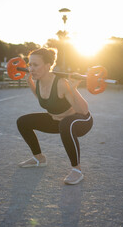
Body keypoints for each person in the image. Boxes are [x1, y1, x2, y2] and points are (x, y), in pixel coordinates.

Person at [17, 47, 93, 185]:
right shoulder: (38, 80)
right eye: (30, 65)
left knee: (66, 124)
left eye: (35, 65)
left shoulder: (61, 83)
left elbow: (83, 110)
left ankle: (77, 170)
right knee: (23, 121)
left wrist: (74, 89)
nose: (31, 68)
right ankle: (39, 159)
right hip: (57, 121)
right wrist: (30, 82)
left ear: (47, 66)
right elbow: (42, 99)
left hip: (80, 121)